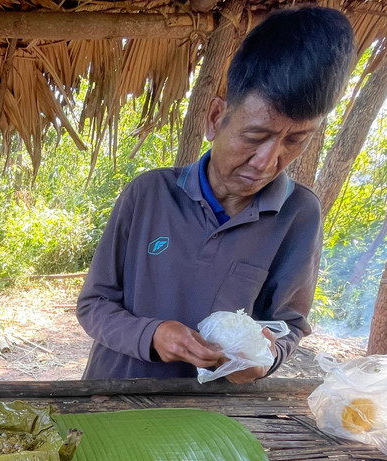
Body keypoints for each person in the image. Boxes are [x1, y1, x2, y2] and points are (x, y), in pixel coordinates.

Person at [76, 6, 356, 382]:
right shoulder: (149, 194)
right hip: (115, 393)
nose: (267, 161)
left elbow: (289, 325)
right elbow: (94, 305)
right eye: (255, 136)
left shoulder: (299, 214)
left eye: (295, 140)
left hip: (215, 415)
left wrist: (264, 359)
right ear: (214, 118)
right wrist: (151, 335)